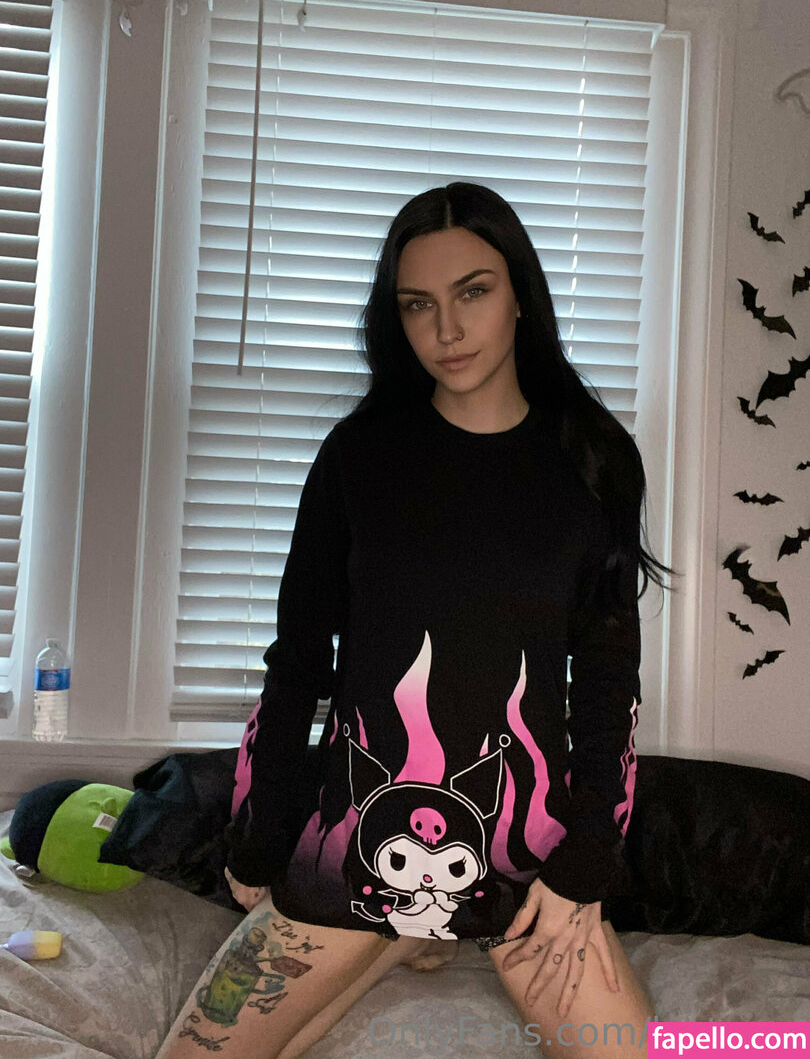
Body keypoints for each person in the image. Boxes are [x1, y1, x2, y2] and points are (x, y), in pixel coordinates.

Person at [156, 181, 674, 1059]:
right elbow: (298, 662)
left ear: (520, 296)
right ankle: (398, 936)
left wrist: (586, 862)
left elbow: (608, 681)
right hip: (352, 850)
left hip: (529, 861)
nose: (448, 329)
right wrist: (260, 836)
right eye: (417, 305)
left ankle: (414, 938)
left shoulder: (595, 460)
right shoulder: (358, 459)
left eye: (473, 292)